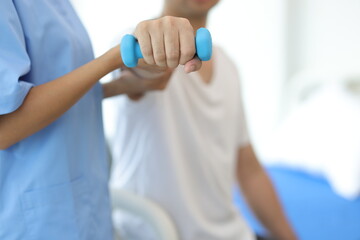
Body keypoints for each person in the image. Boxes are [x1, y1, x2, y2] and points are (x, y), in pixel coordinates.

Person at [0, 0, 203, 239]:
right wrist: (112, 59)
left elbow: (51, 90)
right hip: (36, 221)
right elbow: (6, 126)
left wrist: (119, 86)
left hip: (85, 210)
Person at [109, 0, 297, 239]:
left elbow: (249, 169)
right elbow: (138, 74)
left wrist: (288, 235)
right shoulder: (136, 45)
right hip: (157, 232)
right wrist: (148, 62)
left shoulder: (229, 67)